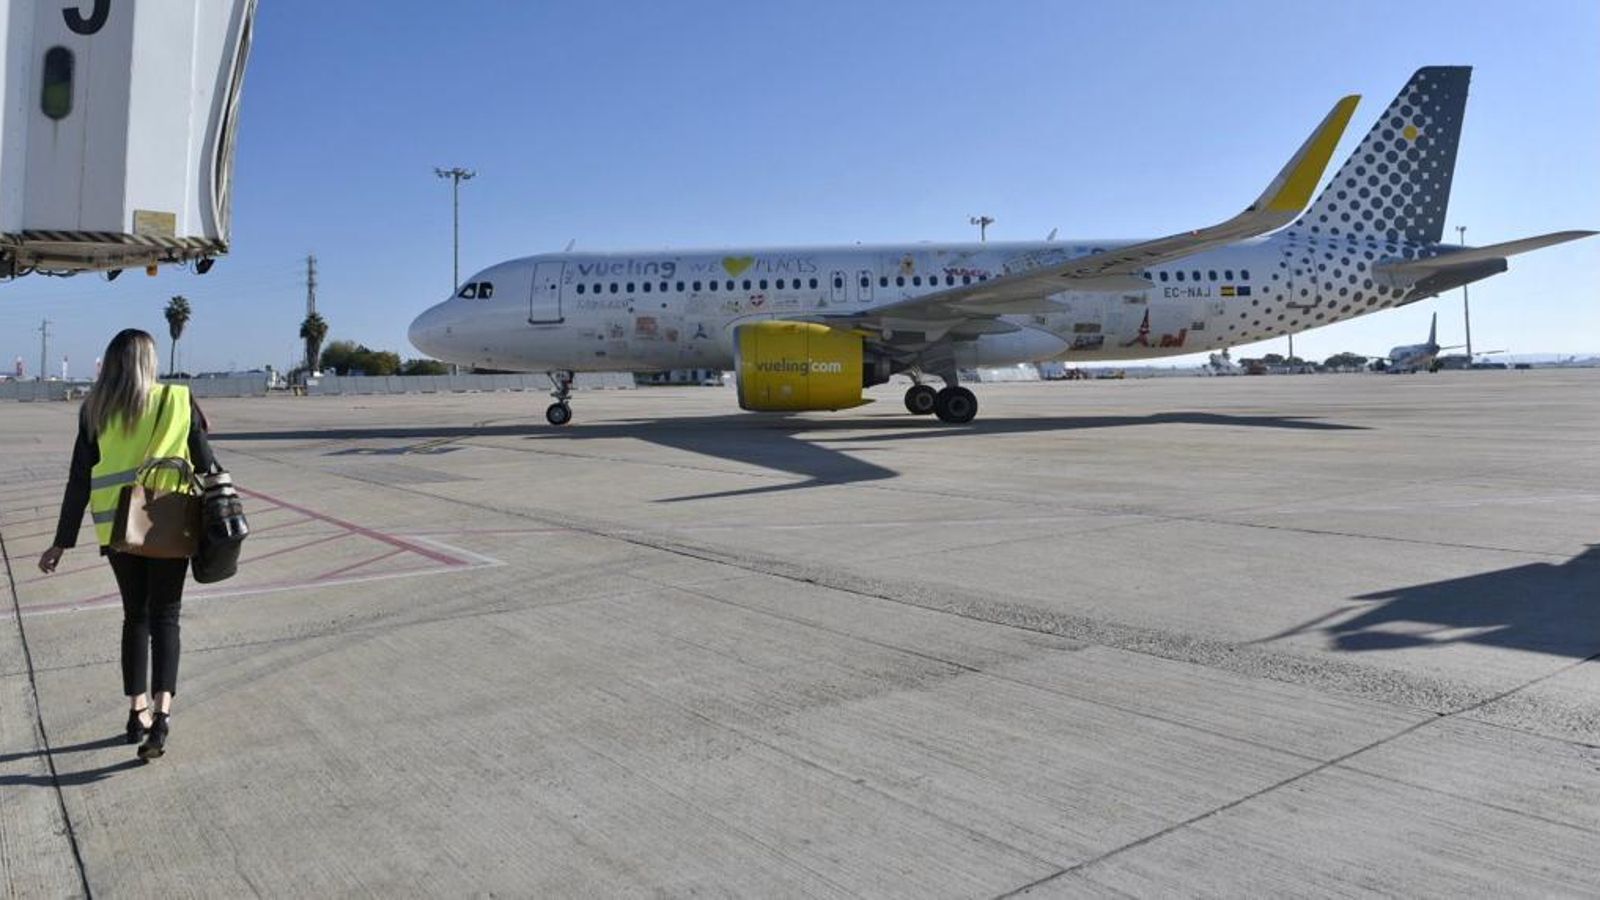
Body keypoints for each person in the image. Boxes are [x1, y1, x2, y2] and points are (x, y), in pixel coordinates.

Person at [37, 329, 215, 762]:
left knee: (135, 616)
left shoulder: (94, 410)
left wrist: (61, 542)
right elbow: (206, 463)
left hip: (118, 531)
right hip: (169, 525)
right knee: (166, 617)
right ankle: (162, 716)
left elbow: (79, 480)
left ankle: (137, 712)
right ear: (149, 361)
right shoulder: (178, 400)